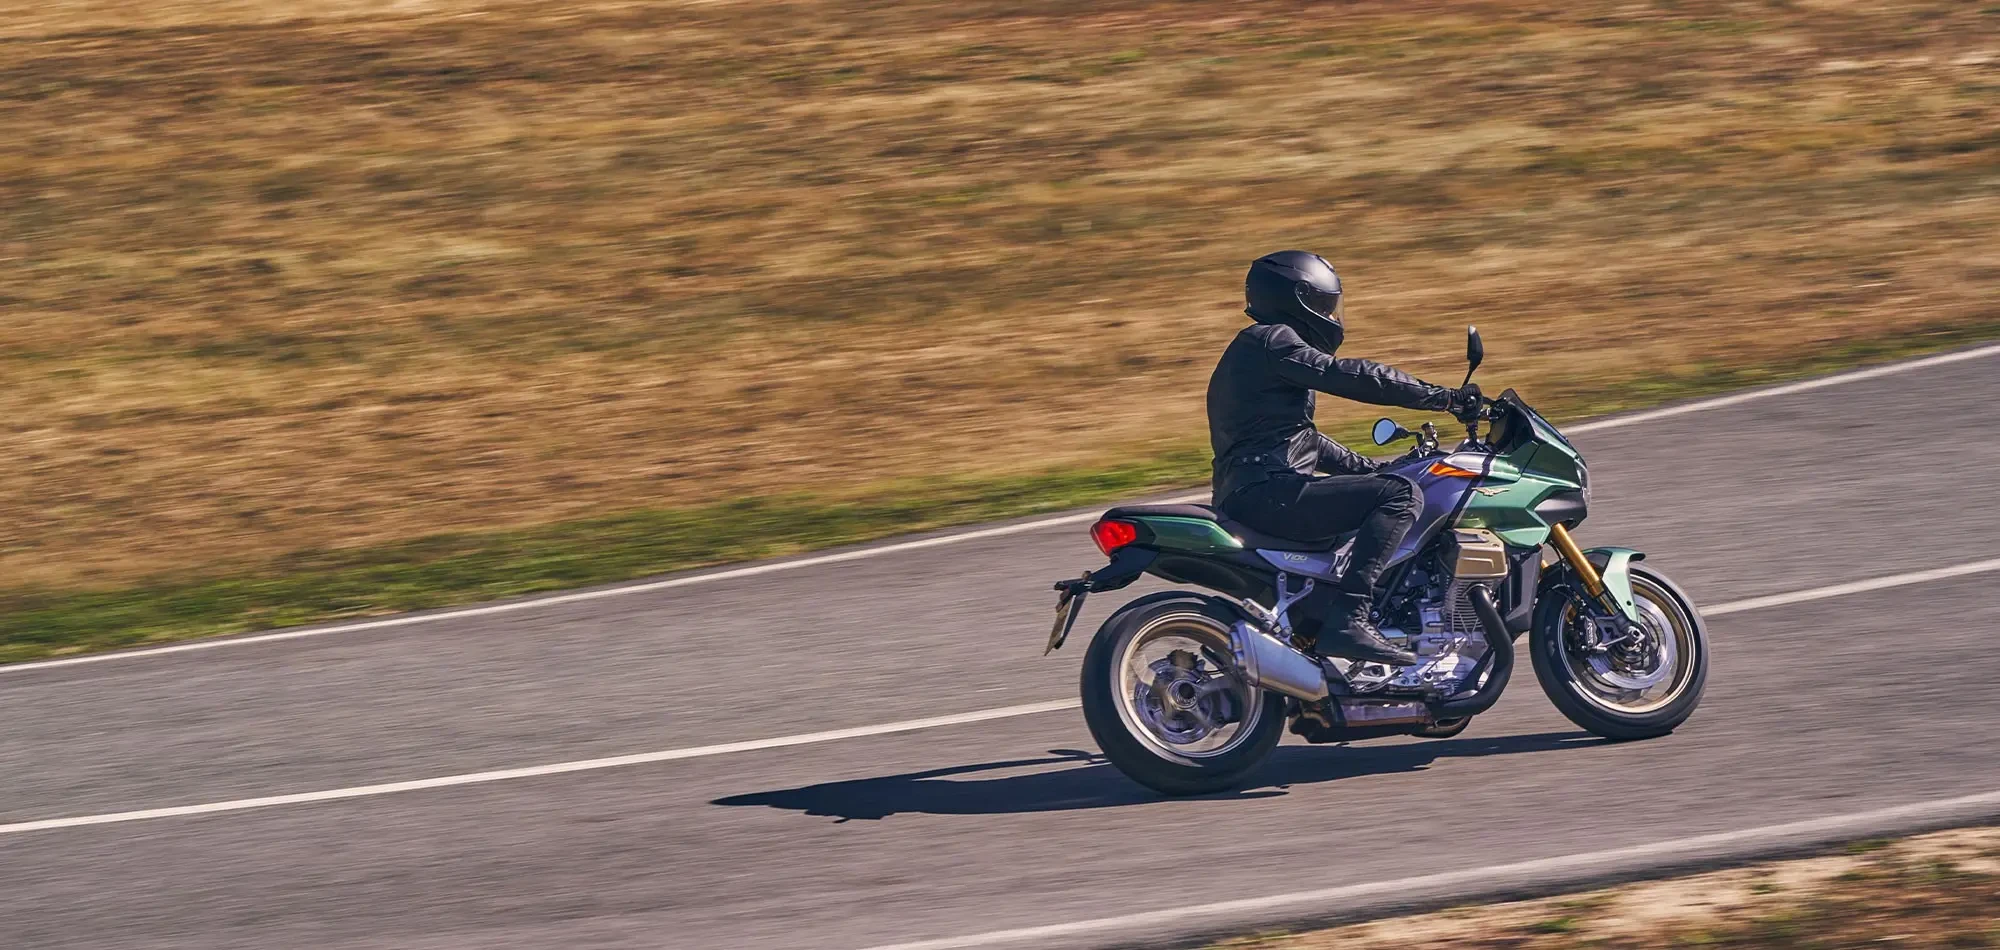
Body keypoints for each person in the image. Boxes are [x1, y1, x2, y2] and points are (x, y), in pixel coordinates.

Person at [1206, 250, 1480, 666]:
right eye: (1326, 304)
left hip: (1255, 490)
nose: (1332, 314)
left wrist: (1381, 468)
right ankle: (1351, 617)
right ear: (1300, 298)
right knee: (1400, 498)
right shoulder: (1272, 340)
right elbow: (1350, 376)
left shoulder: (1255, 353)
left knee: (1391, 485)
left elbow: (1304, 443)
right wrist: (1444, 398)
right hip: (1269, 493)